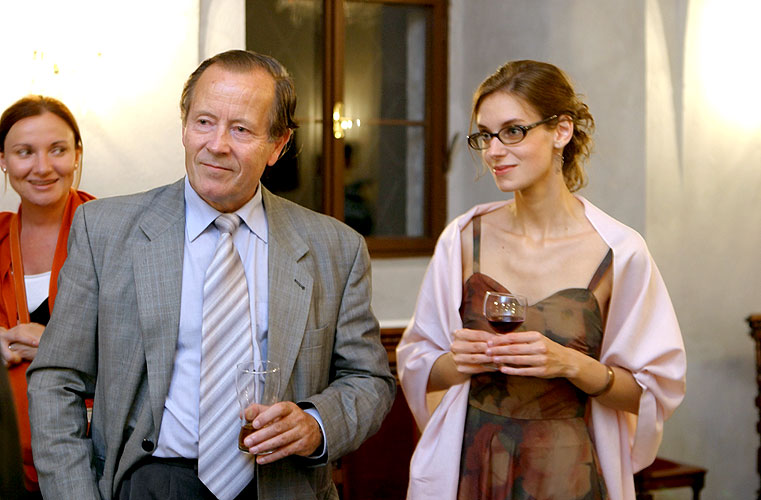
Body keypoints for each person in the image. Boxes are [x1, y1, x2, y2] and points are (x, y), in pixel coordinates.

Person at [27, 49, 395, 500]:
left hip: (279, 485)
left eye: (240, 129)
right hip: (148, 481)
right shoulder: (104, 231)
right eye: (204, 122)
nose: (217, 144)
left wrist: (316, 424)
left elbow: (370, 380)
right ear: (184, 126)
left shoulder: (335, 249)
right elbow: (55, 380)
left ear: (277, 145)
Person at [396, 60, 686, 500]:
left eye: (513, 131)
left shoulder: (620, 251)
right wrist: (462, 360)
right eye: (485, 135)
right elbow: (418, 365)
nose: (493, 151)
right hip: (474, 463)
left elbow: (650, 394)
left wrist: (571, 364)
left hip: (568, 469)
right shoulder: (461, 239)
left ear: (561, 131)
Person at [0, 95, 95, 497]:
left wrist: (58, 347)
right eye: (24, 152)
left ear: (77, 154)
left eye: (57, 150)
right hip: (6, 455)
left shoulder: (114, 232)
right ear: (3, 160)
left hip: (90, 454)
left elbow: (151, 351)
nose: (42, 167)